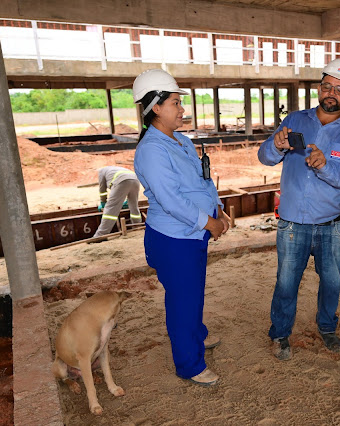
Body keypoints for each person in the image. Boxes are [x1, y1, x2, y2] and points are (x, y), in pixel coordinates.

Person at [258, 58, 340, 361]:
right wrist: (276, 146)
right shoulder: (295, 120)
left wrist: (325, 165)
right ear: (319, 88)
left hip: (334, 223)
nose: (331, 93)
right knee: (286, 282)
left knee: (331, 282)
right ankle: (280, 333)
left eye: (339, 89)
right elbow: (265, 157)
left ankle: (327, 327)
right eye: (327, 86)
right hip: (293, 222)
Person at [132, 69, 230, 386]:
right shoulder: (152, 150)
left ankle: (196, 334)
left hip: (192, 234)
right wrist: (210, 222)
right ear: (155, 107)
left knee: (193, 293)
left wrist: (219, 210)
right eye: (175, 102)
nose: (182, 109)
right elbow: (171, 200)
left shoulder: (182, 141)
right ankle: (189, 365)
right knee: (183, 301)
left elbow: (204, 181)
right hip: (173, 239)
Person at [92, 166, 142, 238]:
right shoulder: (113, 169)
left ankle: (101, 235)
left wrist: (103, 203)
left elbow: (102, 190)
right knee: (134, 206)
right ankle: (137, 226)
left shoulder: (101, 172)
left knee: (111, 208)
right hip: (135, 180)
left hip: (121, 180)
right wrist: (127, 202)